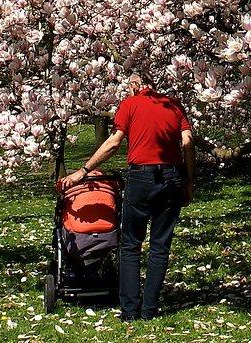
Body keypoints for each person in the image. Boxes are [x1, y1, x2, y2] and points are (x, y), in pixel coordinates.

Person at [60, 73, 195, 321]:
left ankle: (130, 311)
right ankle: (150, 309)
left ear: (135, 85)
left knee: (131, 244)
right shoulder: (173, 105)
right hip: (172, 177)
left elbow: (113, 144)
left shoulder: (130, 104)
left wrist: (84, 170)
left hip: (142, 178)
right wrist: (188, 181)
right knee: (160, 245)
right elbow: (186, 142)